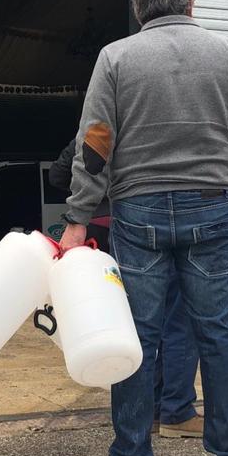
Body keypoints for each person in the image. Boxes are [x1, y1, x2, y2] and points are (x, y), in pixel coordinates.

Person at [59, 0, 228, 456]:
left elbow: (95, 144)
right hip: (211, 210)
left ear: (140, 10)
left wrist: (76, 220)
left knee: (136, 338)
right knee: (219, 336)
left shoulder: (115, 57)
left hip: (138, 213)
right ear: (190, 4)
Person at [51, 140, 204, 438]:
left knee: (131, 320)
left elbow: (57, 176)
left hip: (98, 223)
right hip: (136, 219)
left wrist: (87, 198)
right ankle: (173, 409)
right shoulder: (146, 129)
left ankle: (137, 427)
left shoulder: (87, 136)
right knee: (175, 317)